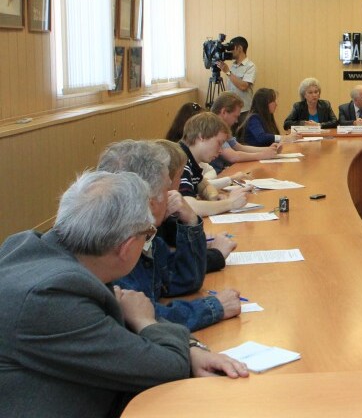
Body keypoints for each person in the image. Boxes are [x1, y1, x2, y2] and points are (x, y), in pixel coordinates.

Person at [0, 171, 247, 418]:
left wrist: (191, 350)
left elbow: (117, 328)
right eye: (147, 235)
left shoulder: (47, 254)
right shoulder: (51, 295)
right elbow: (168, 368)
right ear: (127, 247)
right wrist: (146, 322)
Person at [102, 140, 240, 332]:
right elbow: (142, 317)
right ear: (151, 202)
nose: (174, 195)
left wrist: (191, 221)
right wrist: (213, 307)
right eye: (168, 189)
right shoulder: (115, 247)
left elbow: (184, 279)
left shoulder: (148, 237)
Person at [181, 113, 251, 218]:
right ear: (202, 136)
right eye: (219, 143)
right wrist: (230, 203)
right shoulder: (180, 161)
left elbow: (204, 186)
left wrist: (213, 197)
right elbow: (189, 207)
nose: (220, 151)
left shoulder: (192, 161)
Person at [209, 92, 279, 174]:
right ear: (224, 112)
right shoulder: (214, 128)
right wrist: (262, 155)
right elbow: (232, 156)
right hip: (215, 174)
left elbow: (239, 147)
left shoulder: (223, 127)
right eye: (235, 116)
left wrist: (268, 149)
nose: (236, 121)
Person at [218, 36, 256, 123]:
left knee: (244, 131)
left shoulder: (250, 66)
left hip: (244, 111)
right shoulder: (233, 65)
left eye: (231, 48)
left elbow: (243, 86)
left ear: (239, 48)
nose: (230, 51)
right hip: (231, 110)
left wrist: (228, 72)